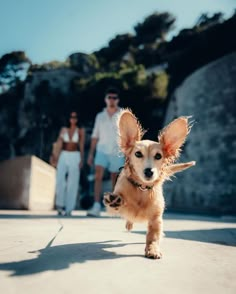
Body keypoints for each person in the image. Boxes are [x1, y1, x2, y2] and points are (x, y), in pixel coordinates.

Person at [87, 87, 124, 217]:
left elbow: (127, 134)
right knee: (98, 176)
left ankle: (113, 206)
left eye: (114, 98)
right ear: (106, 99)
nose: (112, 100)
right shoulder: (100, 116)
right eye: (110, 97)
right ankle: (96, 205)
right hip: (101, 150)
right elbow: (95, 136)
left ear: (118, 100)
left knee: (115, 178)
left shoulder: (122, 114)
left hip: (117, 151)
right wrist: (91, 154)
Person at [55, 111, 85, 216]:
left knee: (73, 182)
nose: (73, 119)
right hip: (63, 155)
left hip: (75, 156)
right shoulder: (63, 129)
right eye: (71, 117)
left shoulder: (80, 131)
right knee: (60, 180)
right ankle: (59, 205)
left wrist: (82, 159)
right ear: (68, 118)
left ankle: (69, 208)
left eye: (75, 117)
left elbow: (81, 145)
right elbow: (59, 143)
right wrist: (56, 157)